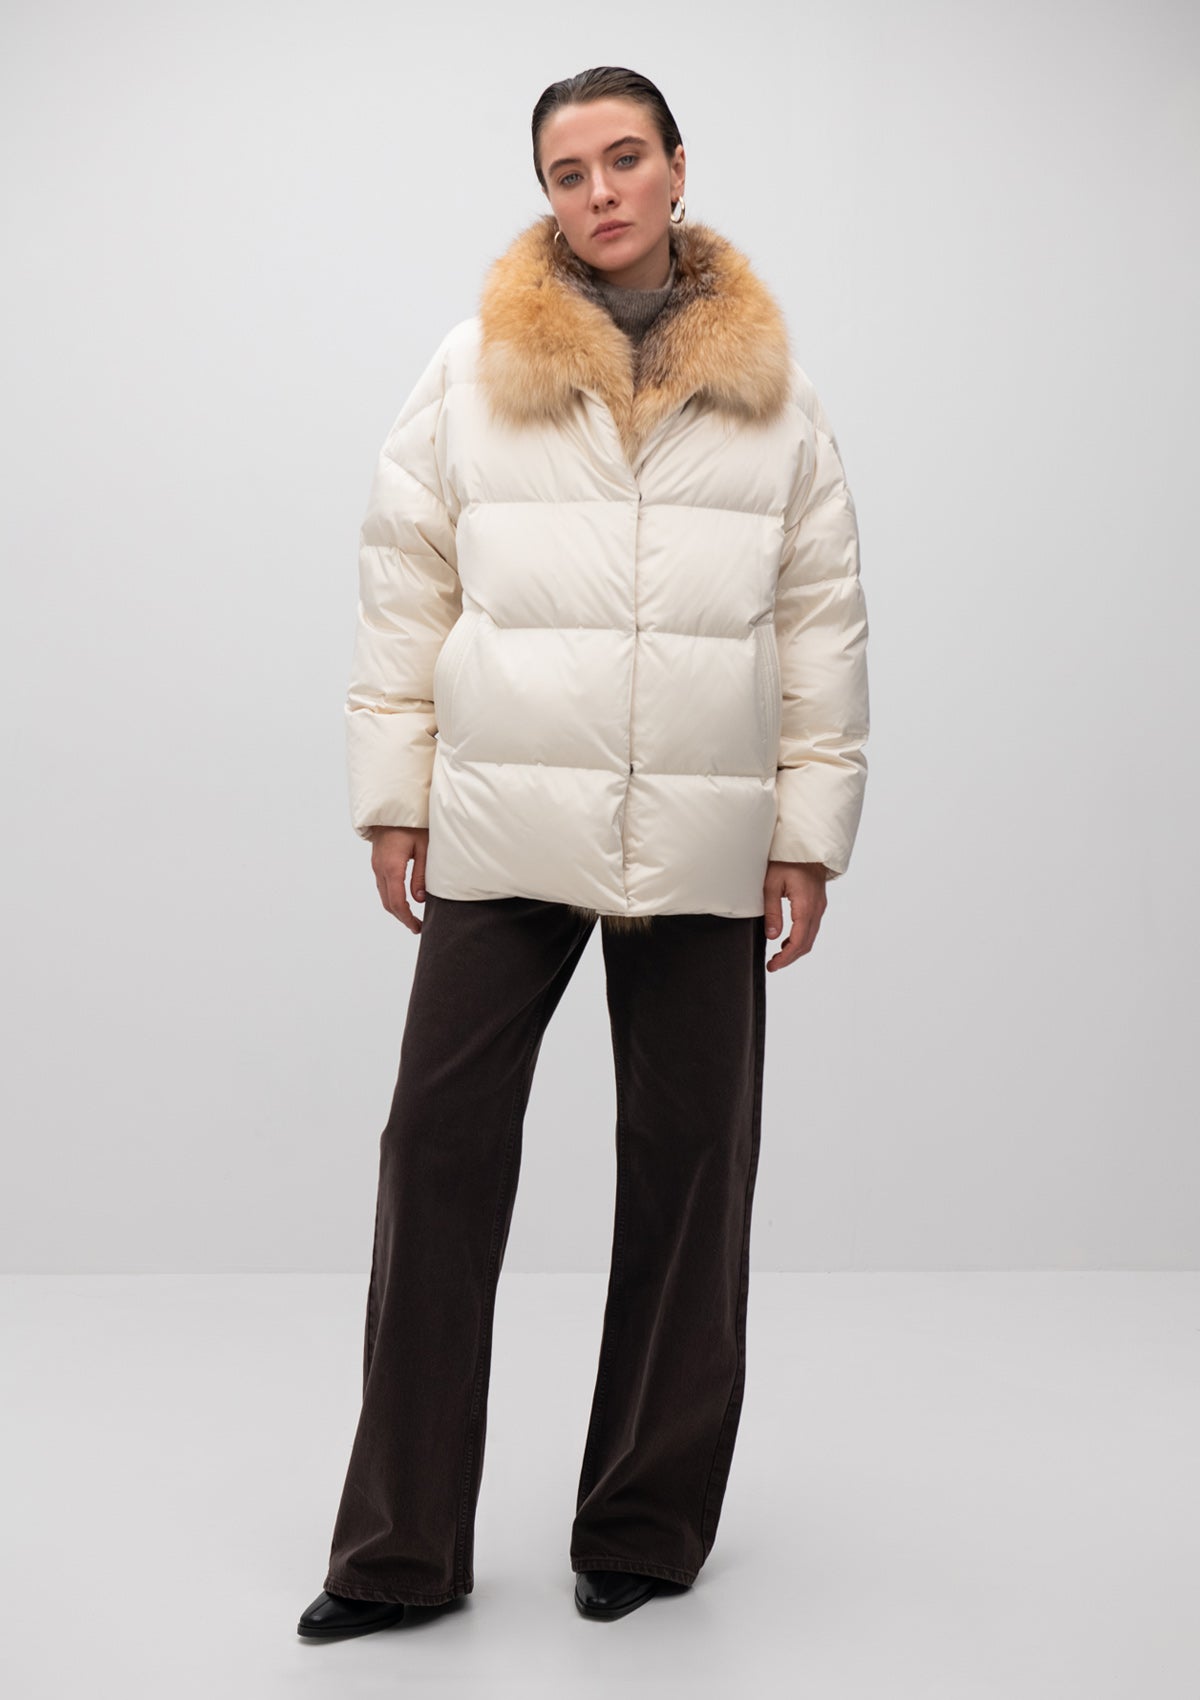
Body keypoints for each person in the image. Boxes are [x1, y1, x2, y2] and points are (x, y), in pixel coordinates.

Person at [297, 64, 869, 1640]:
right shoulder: (471, 366)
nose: (600, 190)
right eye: (568, 170)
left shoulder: (776, 395)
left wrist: (807, 833)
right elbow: (405, 581)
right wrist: (395, 795)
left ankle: (645, 1526)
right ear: (545, 193)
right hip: (504, 811)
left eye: (625, 158)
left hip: (704, 824)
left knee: (692, 1172)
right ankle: (398, 1552)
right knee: (437, 1150)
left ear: (678, 167)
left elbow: (822, 619)